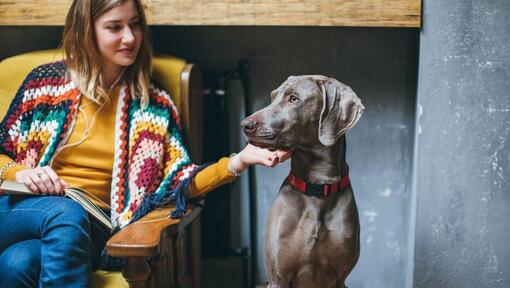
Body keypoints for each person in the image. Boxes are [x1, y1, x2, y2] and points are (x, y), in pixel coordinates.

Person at [0, 0, 291, 287]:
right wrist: (20, 173)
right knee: (65, 213)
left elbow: (179, 183)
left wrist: (238, 161)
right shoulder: (43, 85)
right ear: (86, 31)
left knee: (18, 263)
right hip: (20, 210)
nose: (130, 37)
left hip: (92, 229)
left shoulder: (153, 107)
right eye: (115, 27)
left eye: (135, 24)